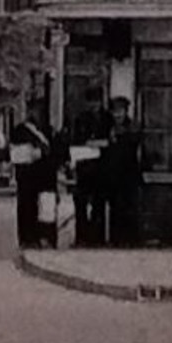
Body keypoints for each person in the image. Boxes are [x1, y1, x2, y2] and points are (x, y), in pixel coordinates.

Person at [11, 96, 58, 249]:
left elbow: (55, 152)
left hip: (46, 176)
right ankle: (28, 238)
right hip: (27, 176)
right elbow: (16, 153)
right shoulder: (20, 131)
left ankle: (47, 237)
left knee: (47, 209)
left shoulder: (48, 131)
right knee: (26, 207)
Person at [102, 96, 144, 248]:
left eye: (120, 111)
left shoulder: (133, 125)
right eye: (115, 111)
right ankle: (116, 239)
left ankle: (131, 239)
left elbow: (132, 142)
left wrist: (117, 138)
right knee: (115, 207)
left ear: (126, 111)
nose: (117, 115)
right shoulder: (109, 126)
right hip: (113, 175)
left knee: (129, 207)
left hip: (129, 175)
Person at [71, 105, 111, 247]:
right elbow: (75, 142)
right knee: (81, 205)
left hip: (100, 171)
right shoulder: (81, 119)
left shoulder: (107, 118)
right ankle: (82, 237)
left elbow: (111, 142)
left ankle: (95, 237)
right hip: (84, 170)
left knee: (98, 205)